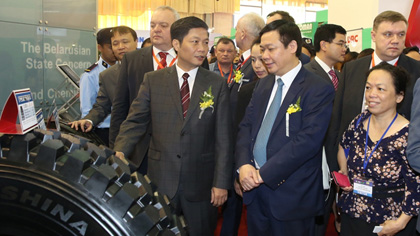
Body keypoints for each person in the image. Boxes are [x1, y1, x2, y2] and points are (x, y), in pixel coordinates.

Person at [113, 16, 232, 236]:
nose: (202, 48)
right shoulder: (153, 80)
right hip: (161, 180)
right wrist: (120, 150)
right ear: (176, 44)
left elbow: (223, 138)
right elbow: (135, 121)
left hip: (202, 185)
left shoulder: (216, 84)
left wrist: (221, 182)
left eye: (205, 42)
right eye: (195, 42)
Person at [236, 19, 335, 235]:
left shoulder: (317, 88)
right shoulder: (263, 84)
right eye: (262, 49)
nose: (264, 56)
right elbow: (246, 127)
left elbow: (308, 141)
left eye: (271, 49)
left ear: (292, 47)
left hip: (292, 196)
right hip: (255, 192)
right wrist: (243, 164)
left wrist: (263, 174)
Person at [328, 11, 420, 186]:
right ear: (374, 35)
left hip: (396, 179)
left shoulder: (417, 72)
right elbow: (337, 120)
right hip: (349, 170)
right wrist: (337, 170)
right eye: (388, 34)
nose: (395, 40)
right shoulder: (352, 69)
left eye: (401, 34)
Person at [337, 62, 420, 236]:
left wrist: (400, 223)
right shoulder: (360, 121)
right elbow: (344, 145)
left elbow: (416, 185)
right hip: (352, 211)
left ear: (399, 96)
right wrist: (343, 170)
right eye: (368, 88)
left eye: (380, 89)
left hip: (389, 221)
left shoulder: (408, 134)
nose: (371, 94)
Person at [110, 6, 180, 169]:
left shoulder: (189, 59)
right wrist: (115, 148)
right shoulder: (132, 60)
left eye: (163, 25)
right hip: (139, 150)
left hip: (177, 152)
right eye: (153, 25)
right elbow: (120, 107)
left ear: (176, 29)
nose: (156, 30)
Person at [304, 23, 347, 236]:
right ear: (323, 44)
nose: (345, 48)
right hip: (315, 160)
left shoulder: (338, 76)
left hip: (334, 157)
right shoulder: (307, 74)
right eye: (340, 43)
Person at [69, 26, 138, 147]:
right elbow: (101, 105)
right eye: (115, 44)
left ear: (136, 42)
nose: (120, 47)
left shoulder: (151, 68)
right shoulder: (107, 75)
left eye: (125, 42)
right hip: (117, 138)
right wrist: (89, 120)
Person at [79, 27, 116, 145]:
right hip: (102, 131)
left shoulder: (124, 70)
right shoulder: (90, 75)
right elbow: (86, 110)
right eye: (110, 47)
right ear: (100, 48)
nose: (115, 49)